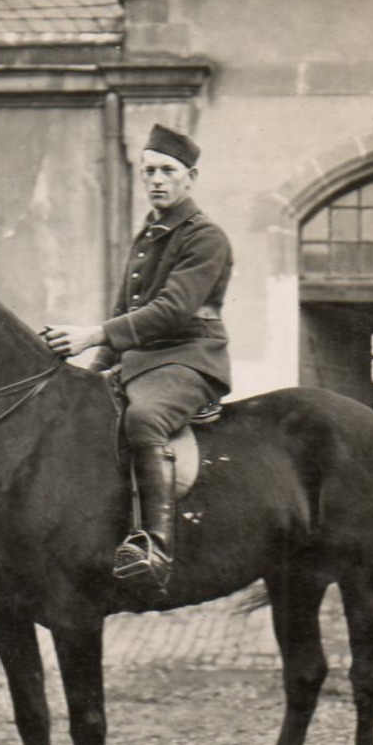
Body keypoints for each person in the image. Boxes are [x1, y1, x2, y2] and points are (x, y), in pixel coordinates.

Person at [41, 123, 233, 593]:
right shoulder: (149, 234)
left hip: (189, 359)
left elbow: (170, 311)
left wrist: (91, 335)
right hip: (139, 360)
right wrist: (90, 370)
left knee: (143, 419)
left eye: (168, 170)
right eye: (148, 171)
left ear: (191, 176)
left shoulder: (205, 237)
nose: (156, 180)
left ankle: (155, 548)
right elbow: (124, 312)